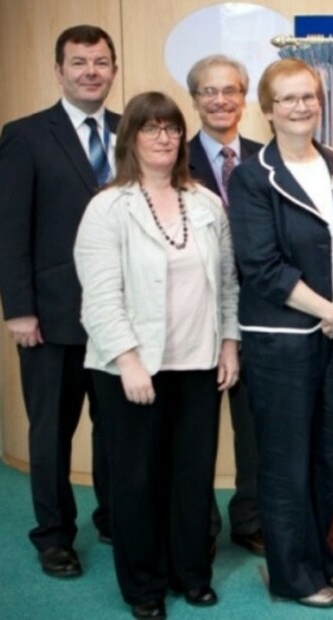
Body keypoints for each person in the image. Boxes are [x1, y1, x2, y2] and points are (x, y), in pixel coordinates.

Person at [74, 91, 241, 619]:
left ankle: (191, 574)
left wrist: (230, 343)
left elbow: (229, 284)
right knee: (137, 481)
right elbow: (99, 295)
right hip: (132, 369)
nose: (163, 137)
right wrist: (127, 359)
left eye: (170, 128)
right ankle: (143, 587)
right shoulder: (107, 207)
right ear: (131, 139)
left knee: (192, 477)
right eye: (150, 129)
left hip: (197, 362)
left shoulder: (206, 203)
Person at [227, 58, 333, 609]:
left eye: (308, 97)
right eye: (287, 99)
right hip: (280, 340)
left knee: (328, 454)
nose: (300, 107)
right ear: (266, 110)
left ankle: (322, 557)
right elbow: (262, 267)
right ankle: (291, 573)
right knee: (286, 460)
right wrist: (331, 312)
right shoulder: (250, 177)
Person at [0, 24, 117, 578]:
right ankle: (54, 535)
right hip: (52, 318)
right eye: (79, 62)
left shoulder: (130, 131)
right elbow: (7, 229)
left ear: (114, 69)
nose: (91, 71)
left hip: (120, 318)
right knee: (51, 435)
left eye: (101, 61)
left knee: (118, 431)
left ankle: (116, 517)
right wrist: (19, 309)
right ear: (58, 69)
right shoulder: (26, 135)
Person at [185, 54, 265, 558]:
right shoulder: (170, 158)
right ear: (194, 100)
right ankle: (198, 524)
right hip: (194, 315)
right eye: (209, 92)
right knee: (195, 427)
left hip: (259, 315)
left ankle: (251, 519)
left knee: (255, 428)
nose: (220, 100)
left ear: (244, 97)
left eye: (230, 90)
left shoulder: (266, 157)